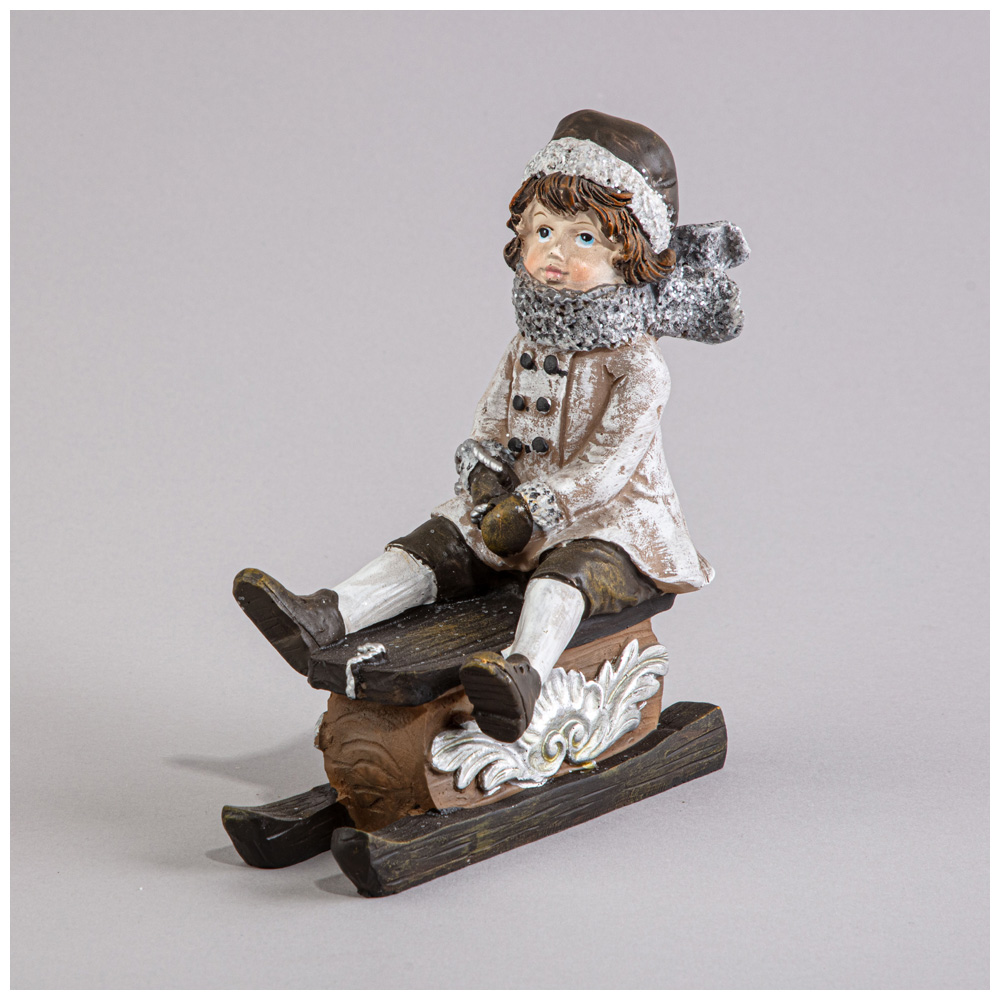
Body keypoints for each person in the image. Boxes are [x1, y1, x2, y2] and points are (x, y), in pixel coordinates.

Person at [234, 110, 748, 744]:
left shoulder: (637, 365)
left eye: (584, 238)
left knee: (565, 577)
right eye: (543, 230)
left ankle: (523, 673)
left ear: (632, 255)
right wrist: (483, 474)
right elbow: (493, 415)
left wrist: (538, 507)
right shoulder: (528, 341)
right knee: (438, 541)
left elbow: (609, 467)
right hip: (515, 507)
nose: (555, 252)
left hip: (609, 522)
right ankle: (327, 614)